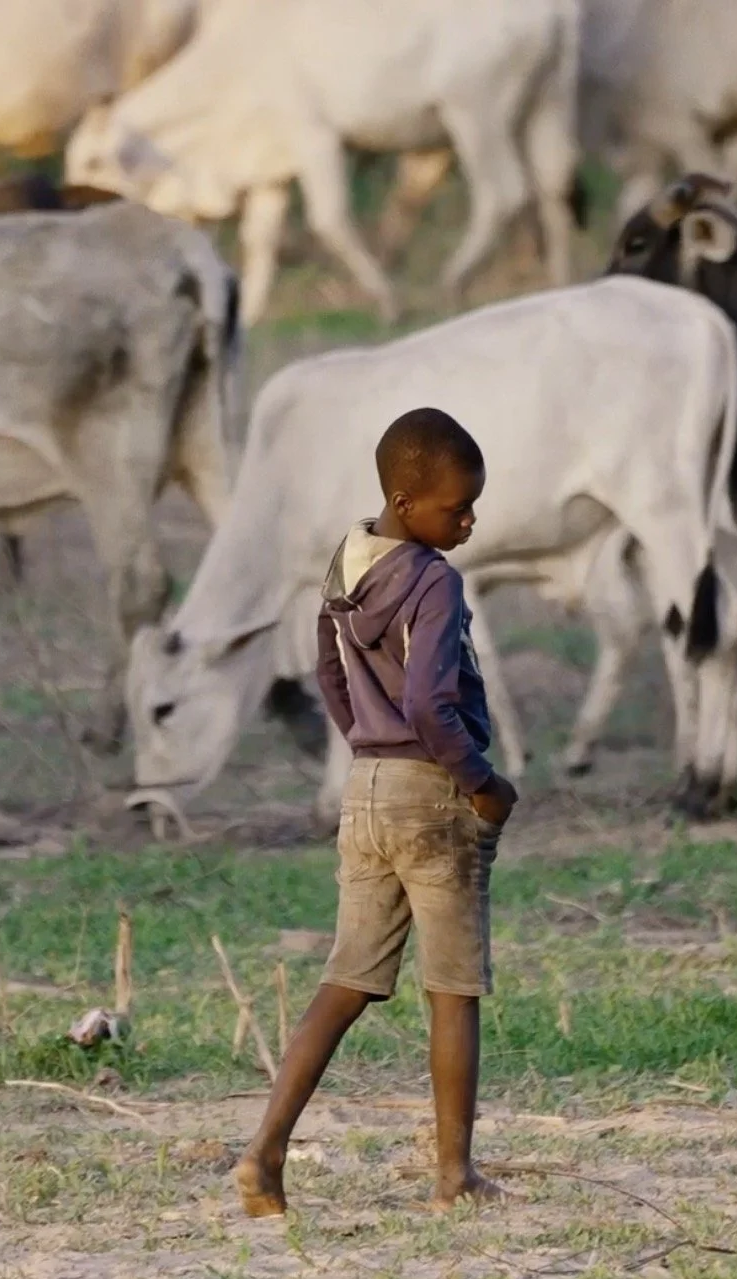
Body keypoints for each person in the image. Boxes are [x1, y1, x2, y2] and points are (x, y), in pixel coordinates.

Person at [234, 406, 517, 1216]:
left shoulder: (344, 567)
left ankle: (264, 1153)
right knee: (453, 989)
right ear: (404, 500)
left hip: (366, 789)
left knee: (346, 980)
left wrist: (366, 739)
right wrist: (481, 781)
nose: (468, 522)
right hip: (432, 793)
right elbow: (431, 702)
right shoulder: (433, 580)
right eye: (457, 508)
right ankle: (454, 1176)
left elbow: (328, 672)